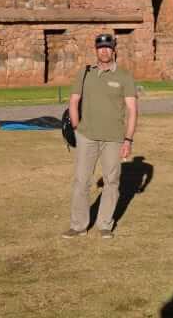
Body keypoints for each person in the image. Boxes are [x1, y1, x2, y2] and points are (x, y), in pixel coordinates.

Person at [63, 33, 139, 240]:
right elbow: (73, 100)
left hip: (114, 139)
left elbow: (132, 109)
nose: (104, 51)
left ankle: (105, 224)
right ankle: (78, 226)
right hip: (87, 136)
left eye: (108, 47)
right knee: (81, 181)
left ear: (114, 50)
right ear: (96, 50)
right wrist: (77, 127)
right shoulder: (85, 73)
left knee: (112, 181)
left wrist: (128, 139)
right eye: (100, 48)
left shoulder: (124, 76)